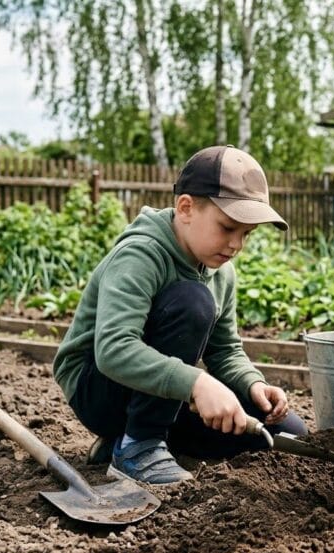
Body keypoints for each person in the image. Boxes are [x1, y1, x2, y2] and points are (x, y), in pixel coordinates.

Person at [53, 145, 306, 485]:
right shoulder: (141, 255)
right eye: (228, 227)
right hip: (98, 389)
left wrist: (253, 382)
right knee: (193, 301)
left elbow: (225, 350)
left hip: (157, 396)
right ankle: (137, 447)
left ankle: (131, 440)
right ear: (186, 208)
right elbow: (113, 349)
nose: (236, 245)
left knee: (283, 432)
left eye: (246, 234)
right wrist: (196, 383)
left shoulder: (221, 271)